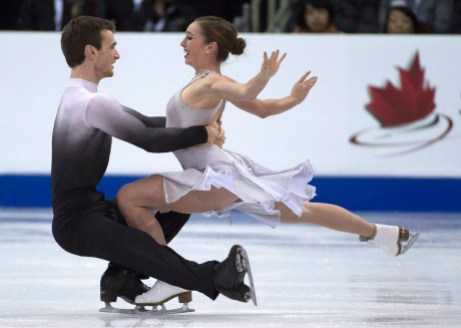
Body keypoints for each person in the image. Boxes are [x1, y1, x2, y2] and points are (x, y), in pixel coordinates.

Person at [115, 16, 419, 303]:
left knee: (130, 197)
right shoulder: (207, 82)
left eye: (190, 37)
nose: (183, 42)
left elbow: (249, 91)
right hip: (221, 171)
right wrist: (292, 99)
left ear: (210, 47)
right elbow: (261, 108)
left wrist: (264, 75)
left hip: (212, 174)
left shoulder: (212, 83)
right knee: (304, 211)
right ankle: (384, 234)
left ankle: (169, 276)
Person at [52, 15, 257, 310]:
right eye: (112, 46)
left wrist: (201, 128)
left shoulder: (87, 97)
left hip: (92, 210)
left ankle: (119, 278)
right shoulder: (90, 102)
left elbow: (150, 123)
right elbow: (150, 140)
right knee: (146, 250)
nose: (117, 54)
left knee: (177, 205)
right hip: (78, 223)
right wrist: (201, 132)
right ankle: (216, 277)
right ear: (91, 51)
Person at [378, 0, 453, 34]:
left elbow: (443, 24)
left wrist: (421, 27)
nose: (399, 25)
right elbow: (382, 22)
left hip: (427, 41)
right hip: (390, 40)